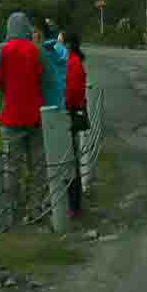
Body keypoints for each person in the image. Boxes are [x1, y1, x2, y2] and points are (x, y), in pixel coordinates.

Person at [0, 13, 45, 226]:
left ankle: (11, 212)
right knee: (37, 166)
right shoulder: (35, 50)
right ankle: (35, 208)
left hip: (11, 117)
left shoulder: (1, 50)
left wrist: (6, 84)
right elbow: (44, 78)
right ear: (27, 27)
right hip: (36, 116)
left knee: (11, 167)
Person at [62, 33, 91, 217]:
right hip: (72, 111)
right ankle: (74, 204)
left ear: (68, 44)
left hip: (69, 114)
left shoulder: (72, 63)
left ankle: (74, 205)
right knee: (71, 158)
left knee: (69, 159)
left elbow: (72, 92)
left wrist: (64, 104)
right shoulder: (74, 62)